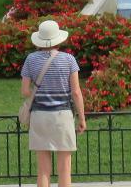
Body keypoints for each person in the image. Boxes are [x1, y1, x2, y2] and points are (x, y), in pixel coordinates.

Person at [21, 19, 86, 187]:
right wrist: (82, 118)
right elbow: (76, 92)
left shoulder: (31, 60)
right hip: (62, 116)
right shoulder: (69, 60)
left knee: (43, 170)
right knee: (64, 169)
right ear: (59, 39)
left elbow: (25, 91)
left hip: (39, 115)